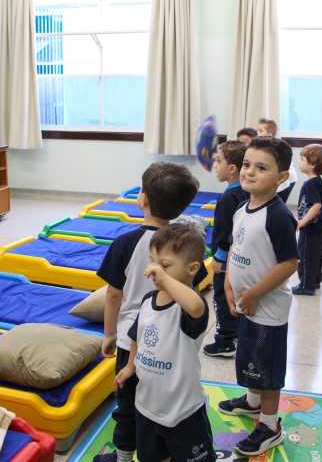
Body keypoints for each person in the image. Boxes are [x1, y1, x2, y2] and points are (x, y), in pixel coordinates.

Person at [95, 162, 202, 462]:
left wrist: (109, 334)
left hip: (130, 340)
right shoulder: (186, 247)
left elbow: (113, 294)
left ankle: (123, 457)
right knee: (164, 401)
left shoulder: (126, 243)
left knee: (128, 405)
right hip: (172, 342)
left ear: (143, 198)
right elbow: (194, 289)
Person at [219, 136, 299, 457]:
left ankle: (269, 425)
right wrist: (229, 285)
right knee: (251, 359)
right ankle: (253, 403)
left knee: (267, 371)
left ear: (281, 178)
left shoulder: (278, 216)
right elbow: (235, 249)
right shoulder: (242, 208)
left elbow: (289, 263)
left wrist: (254, 292)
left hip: (267, 309)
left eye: (261, 168)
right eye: (247, 165)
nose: (250, 172)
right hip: (246, 305)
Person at [116, 223, 216, 462]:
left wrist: (165, 279)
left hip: (183, 411)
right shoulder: (148, 301)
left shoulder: (188, 309)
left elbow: (196, 306)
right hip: (147, 407)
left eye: (165, 265)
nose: (154, 270)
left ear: (192, 269)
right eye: (152, 261)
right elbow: (137, 335)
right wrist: (130, 365)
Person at [204, 140, 249, 357]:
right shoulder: (246, 191)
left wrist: (219, 258)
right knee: (237, 295)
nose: (215, 166)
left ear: (232, 169)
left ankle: (224, 341)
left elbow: (224, 232)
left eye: (218, 161)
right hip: (241, 258)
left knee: (222, 298)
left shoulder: (227, 198)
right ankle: (238, 332)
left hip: (226, 261)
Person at [293, 144, 322, 296]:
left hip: (310, 228)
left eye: (302, 159)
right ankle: (315, 280)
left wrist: (302, 222)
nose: (299, 162)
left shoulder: (310, 184)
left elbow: (317, 205)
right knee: (316, 255)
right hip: (320, 226)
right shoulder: (318, 181)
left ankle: (306, 285)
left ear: (312, 164)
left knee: (305, 256)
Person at [257, 118, 297, 202]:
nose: (257, 133)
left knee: (277, 201)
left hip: (287, 178)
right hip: (281, 177)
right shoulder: (265, 146)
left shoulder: (274, 147)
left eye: (260, 131)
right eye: (257, 130)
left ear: (269, 135)